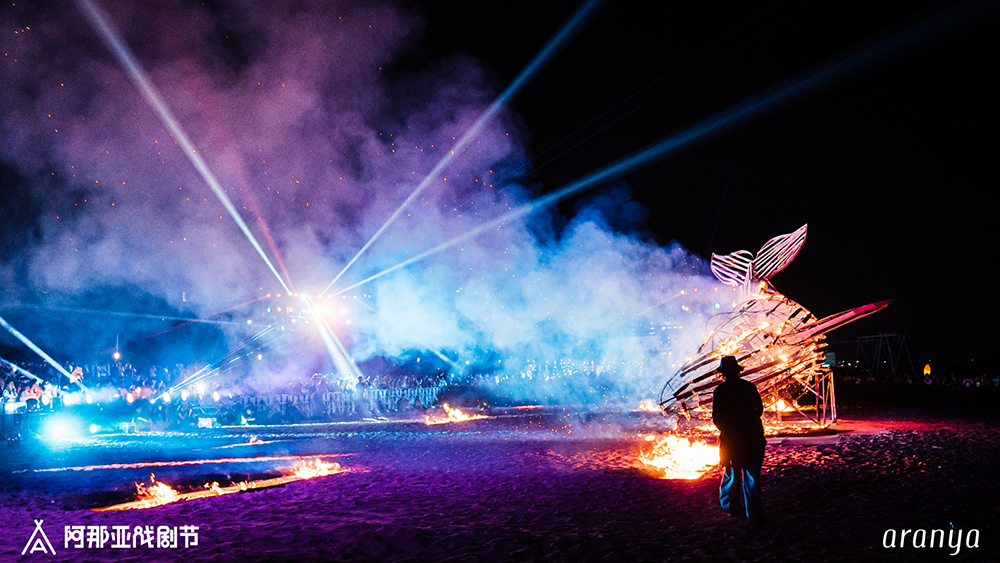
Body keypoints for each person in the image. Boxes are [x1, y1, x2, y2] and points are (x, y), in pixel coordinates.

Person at [712, 355, 767, 525]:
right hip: (753, 439)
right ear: (737, 370)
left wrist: (727, 428)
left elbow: (717, 418)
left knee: (732, 475)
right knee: (752, 479)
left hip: (732, 441)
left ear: (723, 374)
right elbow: (759, 410)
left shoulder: (720, 391)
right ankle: (754, 515)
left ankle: (731, 507)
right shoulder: (749, 387)